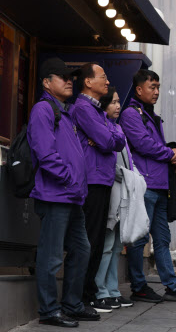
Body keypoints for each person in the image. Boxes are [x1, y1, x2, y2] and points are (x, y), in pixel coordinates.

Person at [28, 58, 100, 327]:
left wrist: (76, 186)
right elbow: (46, 154)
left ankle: (71, 304)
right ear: (47, 83)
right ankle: (49, 311)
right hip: (54, 196)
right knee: (51, 256)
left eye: (71, 77)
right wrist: (70, 179)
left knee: (82, 250)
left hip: (72, 197)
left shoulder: (66, 113)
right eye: (62, 76)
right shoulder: (42, 110)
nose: (70, 80)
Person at [119, 69, 176, 303]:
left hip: (160, 185)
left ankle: (172, 285)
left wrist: (172, 154)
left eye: (158, 87)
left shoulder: (149, 114)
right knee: (139, 239)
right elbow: (143, 144)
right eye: (151, 87)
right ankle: (139, 285)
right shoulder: (131, 114)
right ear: (138, 89)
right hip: (145, 185)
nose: (156, 92)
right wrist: (169, 153)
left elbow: (152, 145)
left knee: (162, 239)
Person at [71, 63, 126, 313]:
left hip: (102, 179)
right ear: (88, 82)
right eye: (102, 77)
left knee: (97, 238)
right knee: (90, 240)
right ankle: (82, 295)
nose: (107, 81)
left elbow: (117, 138)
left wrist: (106, 137)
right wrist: (105, 138)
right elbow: (108, 139)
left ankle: (89, 293)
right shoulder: (83, 108)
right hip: (91, 180)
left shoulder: (98, 112)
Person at [93, 87, 135, 310]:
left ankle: (113, 290)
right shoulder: (102, 129)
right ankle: (100, 290)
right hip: (111, 193)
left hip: (123, 193)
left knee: (117, 245)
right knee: (107, 244)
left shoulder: (118, 128)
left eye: (119, 102)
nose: (118, 106)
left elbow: (128, 160)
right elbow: (115, 166)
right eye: (113, 102)